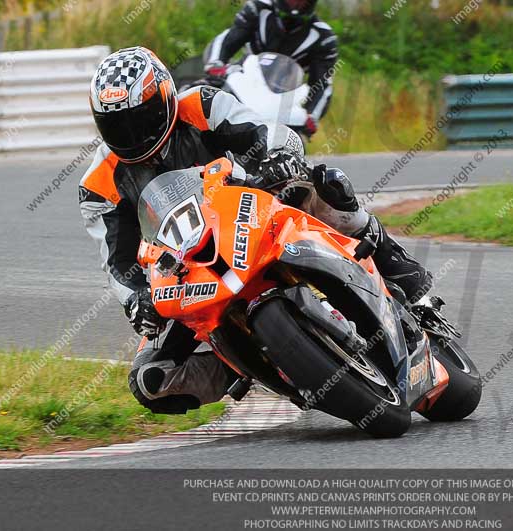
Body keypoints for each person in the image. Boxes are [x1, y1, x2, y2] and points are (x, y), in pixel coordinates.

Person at [79, 47, 430, 414]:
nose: (133, 135)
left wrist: (278, 155)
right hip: (188, 269)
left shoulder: (201, 104)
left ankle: (396, 267)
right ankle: (245, 365)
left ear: (166, 97)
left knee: (324, 186)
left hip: (251, 211)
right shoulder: (98, 185)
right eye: (117, 126)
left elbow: (266, 132)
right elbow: (117, 264)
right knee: (151, 379)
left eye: (142, 118)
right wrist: (136, 300)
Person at [205, 0, 338, 136]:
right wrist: (216, 64)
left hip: (285, 101)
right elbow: (229, 39)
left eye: (301, 1)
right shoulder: (256, 9)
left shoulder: (324, 37)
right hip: (243, 85)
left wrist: (312, 115)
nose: (295, 4)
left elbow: (323, 84)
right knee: (204, 94)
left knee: (296, 142)